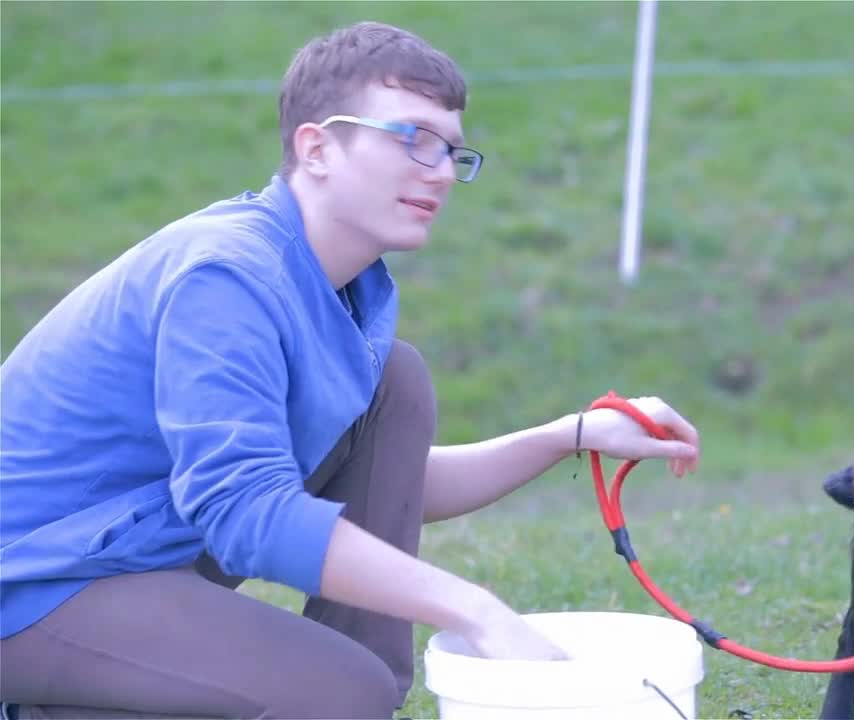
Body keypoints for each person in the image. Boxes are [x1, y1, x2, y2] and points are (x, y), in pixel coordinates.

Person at [0, 20, 700, 720]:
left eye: (451, 149)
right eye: (410, 138)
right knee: (340, 691)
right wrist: (476, 608)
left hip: (132, 558)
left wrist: (567, 435)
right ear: (317, 148)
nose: (438, 170)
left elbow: (385, 488)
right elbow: (248, 513)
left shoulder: (342, 291)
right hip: (36, 587)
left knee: (396, 382)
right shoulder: (226, 278)